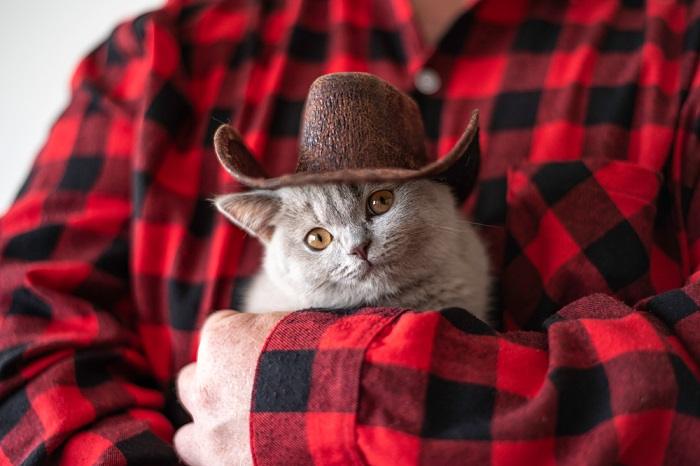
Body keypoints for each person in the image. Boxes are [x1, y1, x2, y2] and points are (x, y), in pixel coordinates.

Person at [1, 0, 699, 464]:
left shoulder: (677, 40)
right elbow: (19, 332)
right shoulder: (154, 61)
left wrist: (310, 398)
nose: (357, 245)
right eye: (318, 238)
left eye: (379, 206)